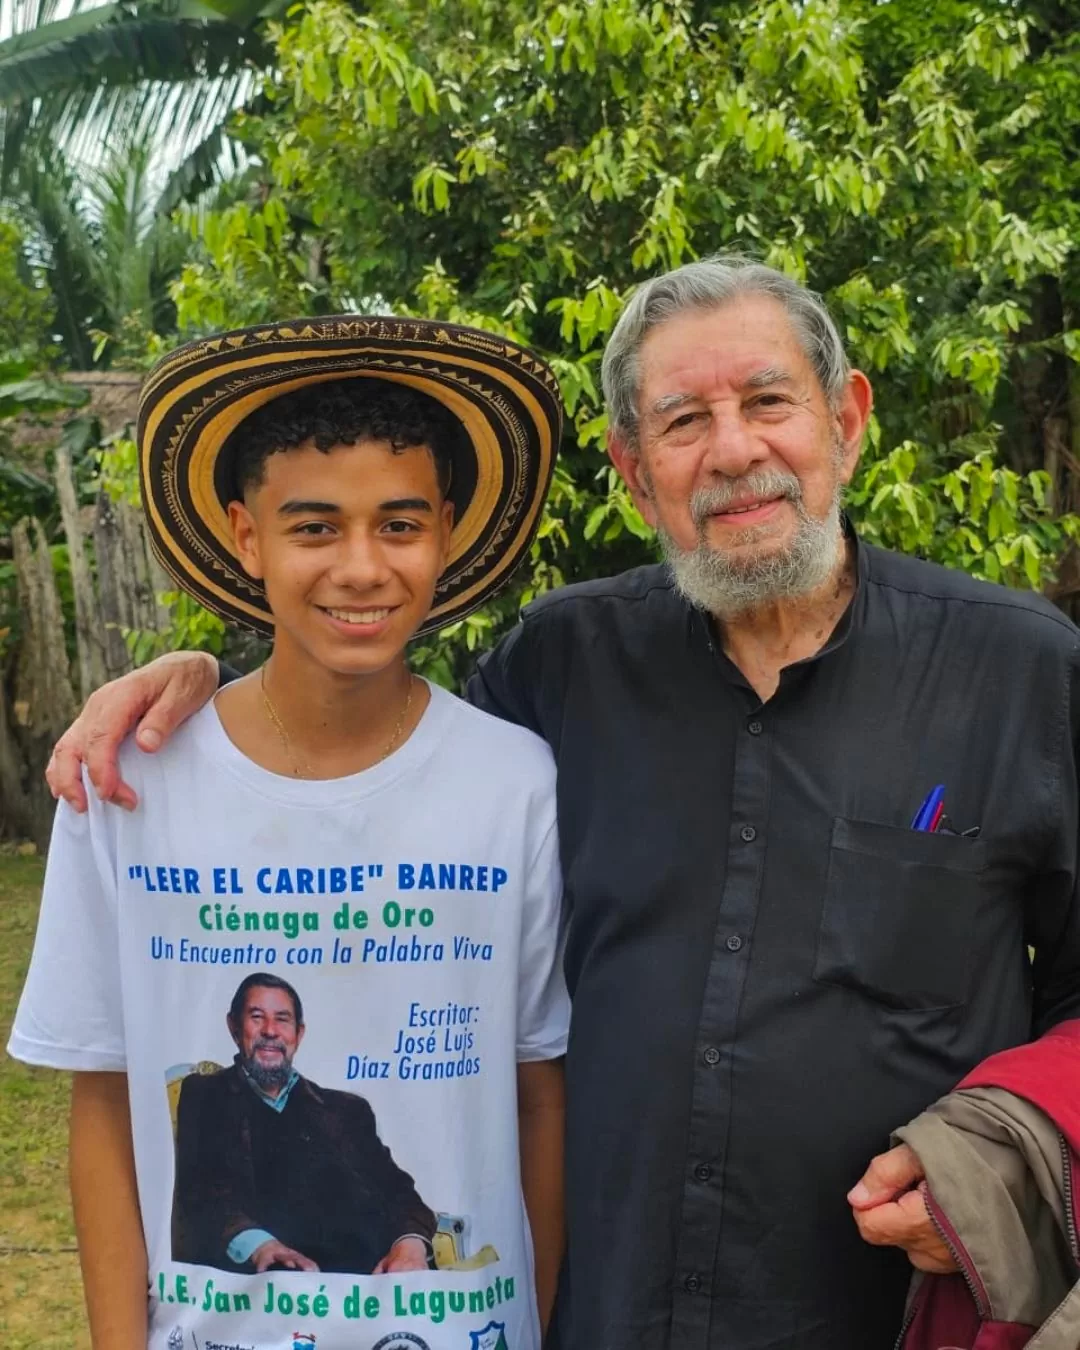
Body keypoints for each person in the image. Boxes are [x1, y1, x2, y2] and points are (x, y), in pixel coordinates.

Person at [45, 259, 1080, 1350]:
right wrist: (196, 685)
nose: (732, 451)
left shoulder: (1021, 675)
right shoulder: (564, 667)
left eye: (767, 402)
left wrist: (998, 1157)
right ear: (636, 473)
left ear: (846, 419)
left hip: (892, 1316)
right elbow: (364, 735)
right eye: (683, 422)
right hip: (608, 1313)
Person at [11, 317, 571, 1350]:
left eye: (399, 525)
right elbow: (103, 1109)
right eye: (314, 527)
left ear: (445, 530)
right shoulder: (127, 785)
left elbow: (538, 1094)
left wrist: (436, 1260)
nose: (361, 568)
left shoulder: (515, 785)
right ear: (244, 535)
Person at [173, 972, 437, 1275]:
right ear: (234, 1027)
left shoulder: (348, 1111)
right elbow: (202, 1193)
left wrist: (409, 1245)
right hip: (271, 1285)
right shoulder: (204, 1096)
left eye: (282, 1020)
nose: (270, 1031)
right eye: (257, 1017)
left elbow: (396, 1190)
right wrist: (260, 1247)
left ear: (298, 1034)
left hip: (369, 1282)